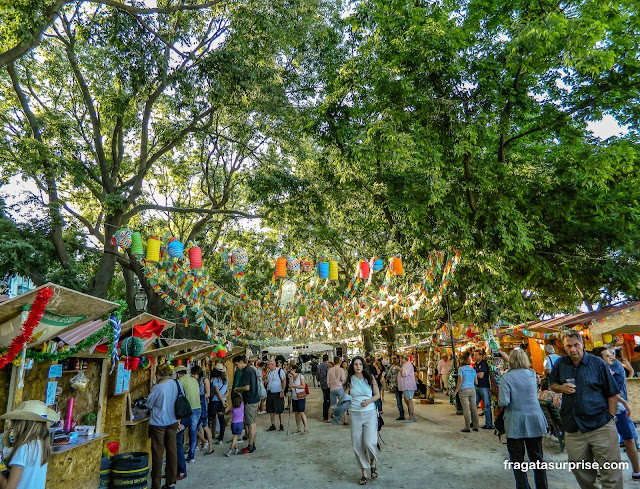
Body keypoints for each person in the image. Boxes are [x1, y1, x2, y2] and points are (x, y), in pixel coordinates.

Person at [548, 329, 621, 489]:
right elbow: (551, 383)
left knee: (611, 472)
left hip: (600, 425)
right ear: (564, 347)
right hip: (574, 428)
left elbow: (613, 393)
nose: (573, 349)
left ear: (582, 344)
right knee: (580, 469)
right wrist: (560, 387)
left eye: (576, 345)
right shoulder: (561, 364)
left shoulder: (597, 363)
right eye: (569, 346)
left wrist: (610, 417)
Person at [499, 349, 549, 489]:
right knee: (537, 458)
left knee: (517, 460)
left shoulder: (507, 378)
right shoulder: (532, 374)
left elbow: (504, 401)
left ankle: (523, 486)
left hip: (515, 421)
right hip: (534, 419)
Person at [594, 347, 640, 481]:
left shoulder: (615, 367)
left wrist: (623, 403)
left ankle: (636, 471)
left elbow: (613, 391)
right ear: (599, 359)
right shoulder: (598, 371)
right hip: (604, 409)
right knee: (606, 442)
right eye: (607, 356)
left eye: (611, 354)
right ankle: (606, 471)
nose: (611, 357)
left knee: (628, 438)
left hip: (618, 409)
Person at [0, 400, 59, 489]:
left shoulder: (24, 448)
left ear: (22, 424)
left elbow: (9, 487)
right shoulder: (42, 444)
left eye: (15, 422)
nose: (13, 426)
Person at [344, 356, 380, 485]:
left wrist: (368, 401)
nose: (358, 366)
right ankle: (364, 472)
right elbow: (346, 396)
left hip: (369, 413)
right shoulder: (350, 379)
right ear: (352, 366)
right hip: (354, 413)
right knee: (357, 444)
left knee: (370, 443)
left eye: (360, 364)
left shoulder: (369, 378)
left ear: (363, 365)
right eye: (355, 364)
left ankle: (373, 463)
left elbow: (377, 395)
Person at [146, 363, 179, 489]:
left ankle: (156, 485)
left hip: (159, 423)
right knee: (172, 451)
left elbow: (149, 404)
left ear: (158, 374)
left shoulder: (158, 387)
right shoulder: (177, 384)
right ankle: (171, 482)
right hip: (173, 421)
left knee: (158, 454)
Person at [175, 365, 200, 473]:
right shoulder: (194, 380)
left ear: (178, 374)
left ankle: (178, 459)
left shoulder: (180, 381)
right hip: (198, 408)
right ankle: (192, 456)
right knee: (193, 432)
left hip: (188, 410)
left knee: (178, 436)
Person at [233, 355, 260, 454]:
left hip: (250, 400)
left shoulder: (246, 371)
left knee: (251, 424)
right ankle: (253, 444)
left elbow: (247, 387)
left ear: (241, 362)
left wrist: (238, 389)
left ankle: (250, 446)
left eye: (236, 365)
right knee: (253, 423)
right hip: (254, 399)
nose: (236, 367)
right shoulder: (251, 369)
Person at [453, 353, 479, 433]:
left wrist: (456, 391)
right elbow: (476, 382)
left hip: (463, 390)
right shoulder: (473, 369)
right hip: (472, 389)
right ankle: (476, 426)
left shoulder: (461, 369)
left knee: (466, 409)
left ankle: (467, 427)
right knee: (474, 408)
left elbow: (460, 381)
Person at [191, 365, 214, 455]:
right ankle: (200, 443)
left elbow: (208, 394)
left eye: (194, 374)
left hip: (202, 405)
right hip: (195, 404)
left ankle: (210, 446)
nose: (193, 376)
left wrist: (197, 397)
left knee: (204, 426)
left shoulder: (205, 380)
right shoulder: (193, 381)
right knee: (196, 426)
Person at [209, 363, 228, 445]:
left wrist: (221, 400)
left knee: (211, 418)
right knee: (221, 419)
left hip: (215, 401)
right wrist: (223, 399)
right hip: (223, 401)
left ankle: (210, 435)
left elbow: (217, 392)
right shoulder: (226, 379)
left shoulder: (215, 379)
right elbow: (227, 391)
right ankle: (221, 438)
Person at [265, 359, 286, 432]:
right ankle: (273, 425)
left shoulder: (280, 371)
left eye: (268, 365)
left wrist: (282, 390)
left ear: (272, 364)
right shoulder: (269, 372)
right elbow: (267, 380)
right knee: (271, 410)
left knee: (280, 409)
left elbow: (284, 381)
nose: (267, 366)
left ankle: (281, 424)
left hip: (278, 393)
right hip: (270, 393)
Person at [473, 349, 492, 429]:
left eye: (476, 355)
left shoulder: (483, 364)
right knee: (473, 405)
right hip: (477, 387)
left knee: (487, 406)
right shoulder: (475, 365)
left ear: (481, 356)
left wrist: (474, 374)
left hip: (484, 387)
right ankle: (473, 422)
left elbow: (481, 375)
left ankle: (489, 424)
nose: (475, 357)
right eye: (474, 355)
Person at [328, 356, 348, 423]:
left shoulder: (330, 370)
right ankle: (345, 419)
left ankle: (329, 418)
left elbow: (327, 381)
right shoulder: (341, 370)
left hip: (332, 389)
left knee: (332, 404)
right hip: (339, 388)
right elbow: (343, 379)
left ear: (333, 362)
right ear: (339, 362)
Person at [289, 365, 309, 434]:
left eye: (291, 369)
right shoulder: (291, 378)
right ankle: (298, 428)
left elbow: (303, 386)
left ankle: (305, 429)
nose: (290, 370)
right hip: (294, 396)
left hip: (300, 396)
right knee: (296, 413)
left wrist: (295, 386)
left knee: (301, 412)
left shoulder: (300, 376)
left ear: (294, 370)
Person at [224, 391, 244, 457]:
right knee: (235, 437)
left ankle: (236, 449)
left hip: (233, 424)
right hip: (240, 423)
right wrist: (238, 392)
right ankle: (230, 450)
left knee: (235, 436)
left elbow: (227, 413)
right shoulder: (242, 406)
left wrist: (222, 414)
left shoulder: (232, 408)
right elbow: (241, 398)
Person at [398, 355, 417, 423]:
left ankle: (411, 416)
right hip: (405, 386)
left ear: (404, 358)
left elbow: (405, 373)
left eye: (401, 358)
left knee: (409, 400)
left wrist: (399, 369)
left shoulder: (408, 365)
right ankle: (412, 414)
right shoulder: (405, 365)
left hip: (408, 385)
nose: (400, 360)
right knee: (406, 399)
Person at [388, 354, 405, 420]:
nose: (394, 360)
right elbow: (389, 375)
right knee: (398, 400)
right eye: (393, 359)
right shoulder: (392, 367)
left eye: (395, 358)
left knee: (407, 400)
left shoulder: (403, 365)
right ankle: (401, 415)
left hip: (404, 385)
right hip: (396, 385)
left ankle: (411, 414)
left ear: (398, 359)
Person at [317, 354, 331, 421]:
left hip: (322, 384)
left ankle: (324, 414)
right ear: (327, 359)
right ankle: (328, 414)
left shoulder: (319, 366)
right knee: (328, 399)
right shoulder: (327, 366)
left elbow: (317, 375)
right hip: (327, 384)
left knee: (325, 399)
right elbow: (329, 375)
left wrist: (320, 380)